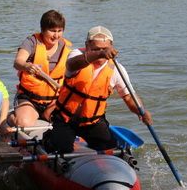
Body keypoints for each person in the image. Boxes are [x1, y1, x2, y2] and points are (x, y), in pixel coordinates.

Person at [44, 25, 153, 154]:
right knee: (62, 150)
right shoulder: (76, 55)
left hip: (93, 121)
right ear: (87, 46)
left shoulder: (117, 70)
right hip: (66, 119)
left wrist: (141, 112)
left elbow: (129, 97)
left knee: (110, 149)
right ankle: (48, 138)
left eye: (105, 49)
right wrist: (100, 54)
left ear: (111, 48)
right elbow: (71, 65)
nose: (101, 53)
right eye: (95, 49)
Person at [7, 10, 72, 129]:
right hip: (29, 99)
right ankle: (11, 116)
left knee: (68, 121)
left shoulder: (66, 48)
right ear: (43, 30)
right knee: (24, 123)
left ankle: (46, 115)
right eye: (52, 31)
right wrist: (26, 66)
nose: (56, 35)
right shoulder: (31, 42)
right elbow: (18, 62)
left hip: (54, 101)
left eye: (59, 31)